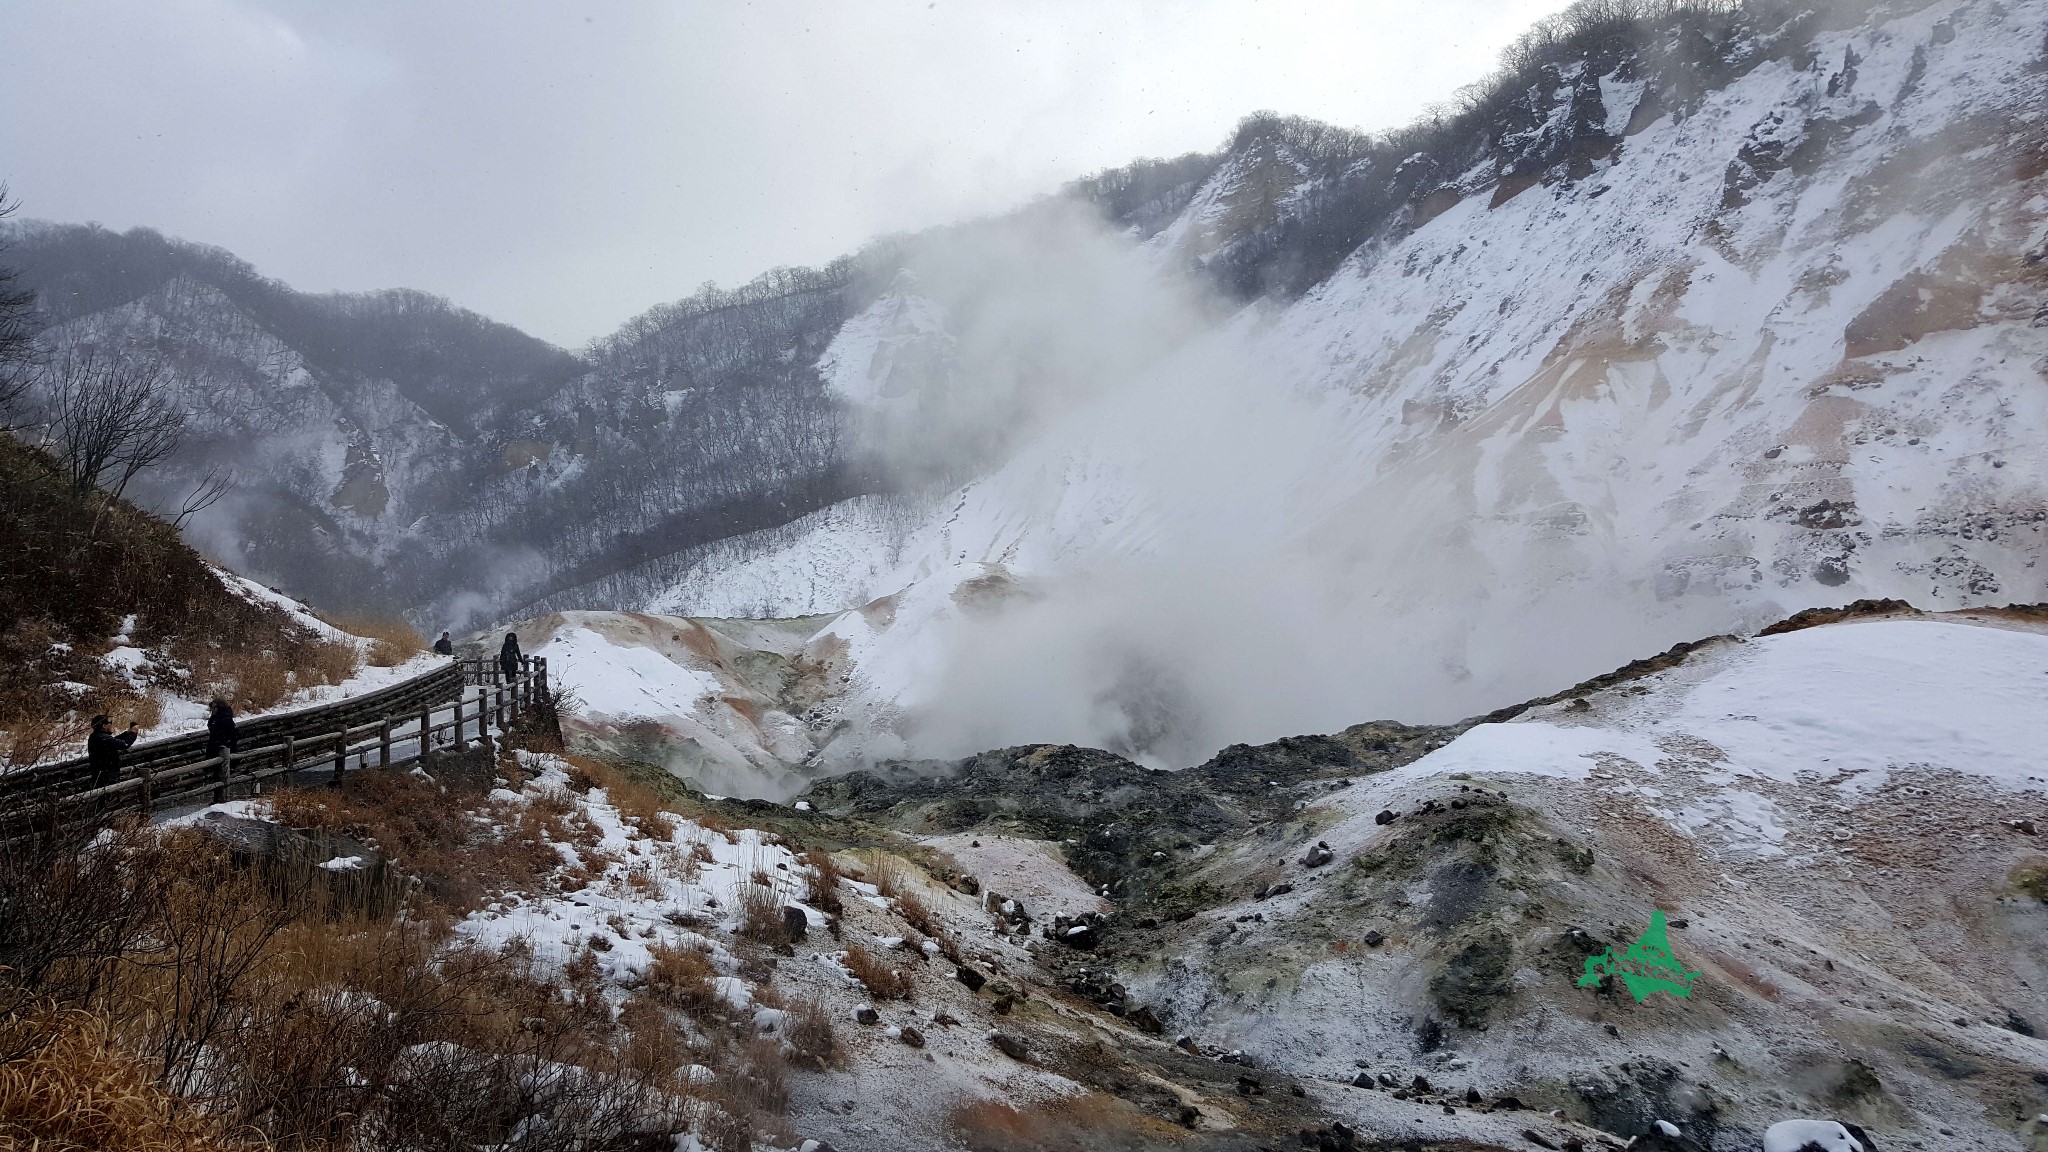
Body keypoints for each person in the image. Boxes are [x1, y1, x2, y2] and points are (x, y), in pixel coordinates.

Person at [86, 714, 138, 788]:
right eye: (110, 723)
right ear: (104, 725)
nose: (112, 725)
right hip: (107, 776)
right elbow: (124, 744)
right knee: (110, 796)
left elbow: (113, 741)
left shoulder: (96, 736)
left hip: (102, 774)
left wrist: (127, 733)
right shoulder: (103, 738)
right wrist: (133, 733)